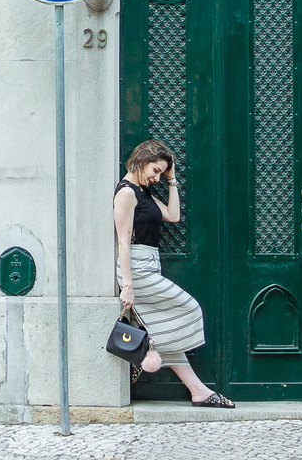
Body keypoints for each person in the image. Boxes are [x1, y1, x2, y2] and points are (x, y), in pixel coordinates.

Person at [113, 139, 235, 408]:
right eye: (155, 170)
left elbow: (173, 215)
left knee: (167, 329)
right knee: (189, 308)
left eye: (160, 172)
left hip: (149, 264)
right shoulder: (126, 193)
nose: (156, 176)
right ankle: (149, 351)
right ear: (141, 161)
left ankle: (198, 391)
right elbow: (123, 243)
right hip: (137, 268)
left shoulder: (143, 191)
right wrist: (128, 285)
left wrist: (172, 179)